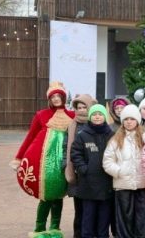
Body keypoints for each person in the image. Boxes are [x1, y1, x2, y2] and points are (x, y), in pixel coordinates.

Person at [11, 81, 75, 238]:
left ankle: (55, 228)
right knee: (46, 196)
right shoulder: (41, 115)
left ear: (63, 97)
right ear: (49, 99)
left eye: (59, 96)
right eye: (53, 97)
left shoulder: (72, 116)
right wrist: (19, 157)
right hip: (43, 164)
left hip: (63, 163)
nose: (56, 99)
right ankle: (39, 228)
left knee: (59, 195)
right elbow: (30, 136)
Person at [103, 104, 145, 238]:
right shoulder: (116, 140)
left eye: (132, 119)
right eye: (126, 119)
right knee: (124, 219)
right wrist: (119, 171)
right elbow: (107, 161)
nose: (129, 122)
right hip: (123, 186)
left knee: (141, 219)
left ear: (137, 121)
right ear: (122, 121)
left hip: (141, 185)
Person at [71, 104, 115, 238]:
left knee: (104, 218)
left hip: (106, 183)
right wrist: (83, 169)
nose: (97, 116)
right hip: (88, 184)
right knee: (88, 217)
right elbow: (75, 153)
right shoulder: (82, 135)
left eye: (100, 114)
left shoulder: (111, 134)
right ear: (90, 116)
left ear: (104, 117)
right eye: (94, 114)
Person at [65, 94, 94, 238]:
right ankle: (78, 234)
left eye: (84, 107)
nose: (82, 110)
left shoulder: (96, 122)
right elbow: (66, 147)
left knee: (92, 208)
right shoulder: (72, 125)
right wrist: (66, 165)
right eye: (79, 107)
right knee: (79, 208)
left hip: (93, 174)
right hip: (77, 173)